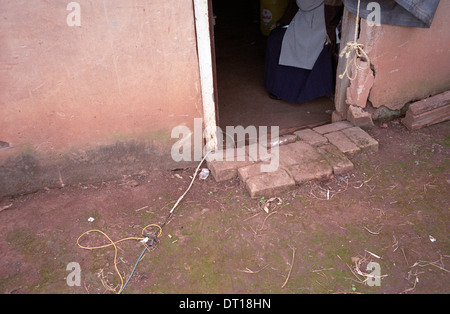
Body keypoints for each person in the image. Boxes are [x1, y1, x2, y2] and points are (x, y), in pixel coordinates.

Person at [264, 0, 342, 103]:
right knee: (276, 39)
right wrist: (282, 23)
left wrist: (330, 30)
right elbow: (292, 7)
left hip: (320, 25)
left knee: (277, 40)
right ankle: (281, 88)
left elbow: (333, 9)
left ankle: (281, 89)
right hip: (305, 22)